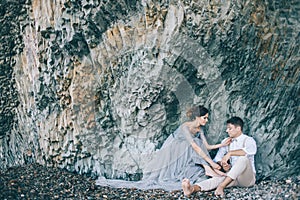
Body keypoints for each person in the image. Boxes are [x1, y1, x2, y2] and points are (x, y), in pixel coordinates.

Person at [96, 105, 230, 191]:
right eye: (204, 118)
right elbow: (194, 145)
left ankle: (208, 169)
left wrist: (221, 145)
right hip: (175, 148)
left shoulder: (199, 129)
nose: (206, 121)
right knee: (193, 144)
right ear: (197, 117)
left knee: (196, 143)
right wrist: (211, 162)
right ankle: (209, 168)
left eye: (207, 118)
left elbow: (206, 146)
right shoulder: (185, 126)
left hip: (188, 150)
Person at [182, 116, 257, 197]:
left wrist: (230, 153)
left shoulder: (249, 140)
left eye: (230, 128)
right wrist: (223, 164)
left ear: (238, 128)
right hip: (232, 177)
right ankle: (192, 189)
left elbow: (249, 152)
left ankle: (221, 186)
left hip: (247, 179)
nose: (227, 130)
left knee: (243, 159)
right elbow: (217, 158)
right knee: (216, 180)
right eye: (227, 128)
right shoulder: (226, 141)